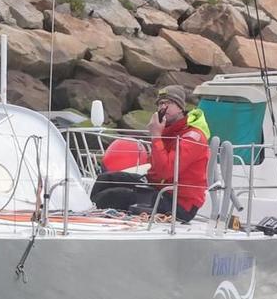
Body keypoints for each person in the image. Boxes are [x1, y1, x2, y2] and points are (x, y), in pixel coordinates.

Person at [90, 84, 209, 221]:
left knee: (115, 196)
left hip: (179, 203)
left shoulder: (192, 136)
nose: (163, 107)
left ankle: (89, 218)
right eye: (160, 103)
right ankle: (86, 213)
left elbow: (167, 171)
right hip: (158, 187)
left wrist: (156, 136)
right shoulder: (167, 131)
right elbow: (156, 168)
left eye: (169, 103)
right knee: (106, 179)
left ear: (180, 108)